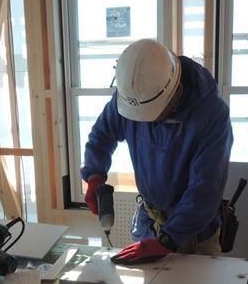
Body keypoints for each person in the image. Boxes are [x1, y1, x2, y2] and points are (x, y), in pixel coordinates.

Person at [82, 39, 233, 266]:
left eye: (153, 116)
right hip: (149, 222)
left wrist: (168, 239)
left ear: (176, 92)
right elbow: (102, 134)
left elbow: (205, 189)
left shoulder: (212, 115)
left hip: (194, 233)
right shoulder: (133, 94)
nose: (145, 123)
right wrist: (95, 175)